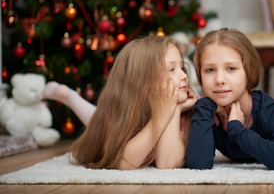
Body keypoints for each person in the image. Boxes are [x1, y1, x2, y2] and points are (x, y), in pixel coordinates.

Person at [43, 35, 197, 170]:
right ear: (142, 82)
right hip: (110, 121)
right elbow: (125, 163)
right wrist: (160, 117)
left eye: (182, 67)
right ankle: (69, 96)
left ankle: (68, 96)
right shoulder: (120, 111)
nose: (184, 75)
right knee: (95, 120)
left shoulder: (185, 113)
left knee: (96, 118)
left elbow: (167, 164)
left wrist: (173, 111)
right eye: (171, 69)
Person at [185, 28, 274, 171]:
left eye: (231, 68)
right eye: (210, 70)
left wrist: (237, 129)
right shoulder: (207, 113)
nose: (219, 80)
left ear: (248, 70)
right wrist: (204, 106)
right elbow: (198, 165)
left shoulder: (271, 110)